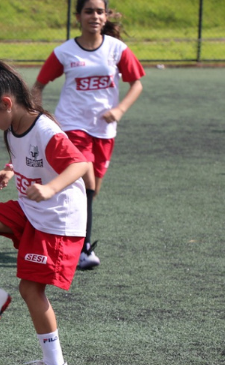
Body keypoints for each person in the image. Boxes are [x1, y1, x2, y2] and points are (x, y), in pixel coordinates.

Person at [0, 60, 91, 365]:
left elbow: (80, 164)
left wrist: (50, 189)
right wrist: (10, 170)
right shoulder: (12, 128)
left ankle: (54, 362)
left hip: (57, 220)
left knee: (30, 289)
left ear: (6, 104)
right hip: (31, 209)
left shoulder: (45, 129)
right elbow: (29, 158)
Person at [31, 0, 144, 270]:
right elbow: (37, 87)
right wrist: (44, 118)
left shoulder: (117, 49)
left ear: (106, 16)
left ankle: (62, 232)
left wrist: (119, 110)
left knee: (91, 191)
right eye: (89, 11)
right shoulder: (64, 52)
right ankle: (83, 248)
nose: (95, 16)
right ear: (78, 16)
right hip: (72, 127)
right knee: (85, 178)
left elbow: (136, 83)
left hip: (104, 130)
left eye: (99, 11)